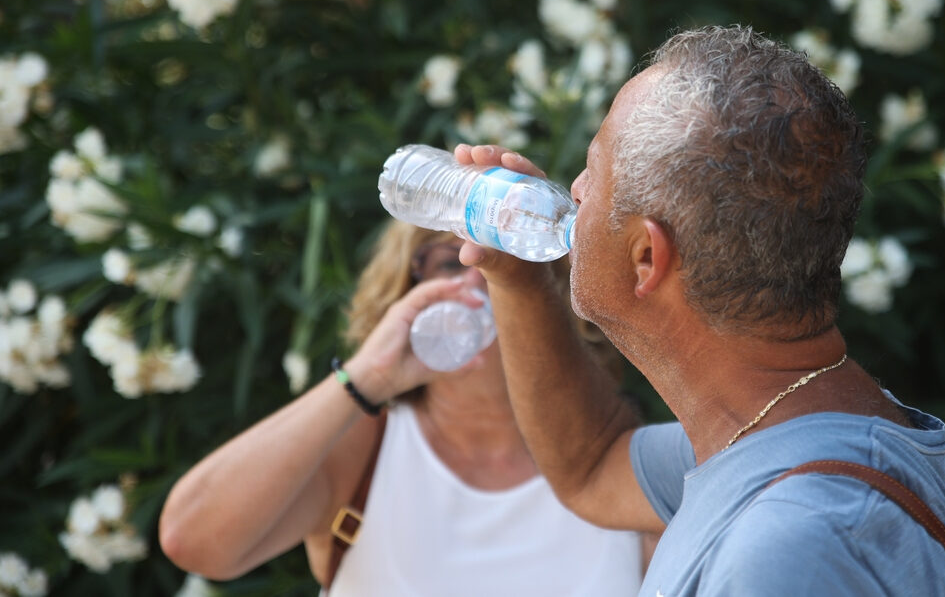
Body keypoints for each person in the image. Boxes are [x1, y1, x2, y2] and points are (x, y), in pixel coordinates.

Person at [453, 25, 945, 595]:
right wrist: (522, 284)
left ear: (647, 256)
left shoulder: (790, 549)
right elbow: (591, 465)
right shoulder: (793, 426)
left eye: (593, 168)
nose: (574, 189)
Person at [158, 221, 646, 596]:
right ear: (404, 293)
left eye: (509, 262)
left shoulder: (627, 463)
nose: (477, 288)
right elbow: (193, 541)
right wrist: (366, 377)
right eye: (450, 264)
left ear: (562, 296)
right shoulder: (363, 450)